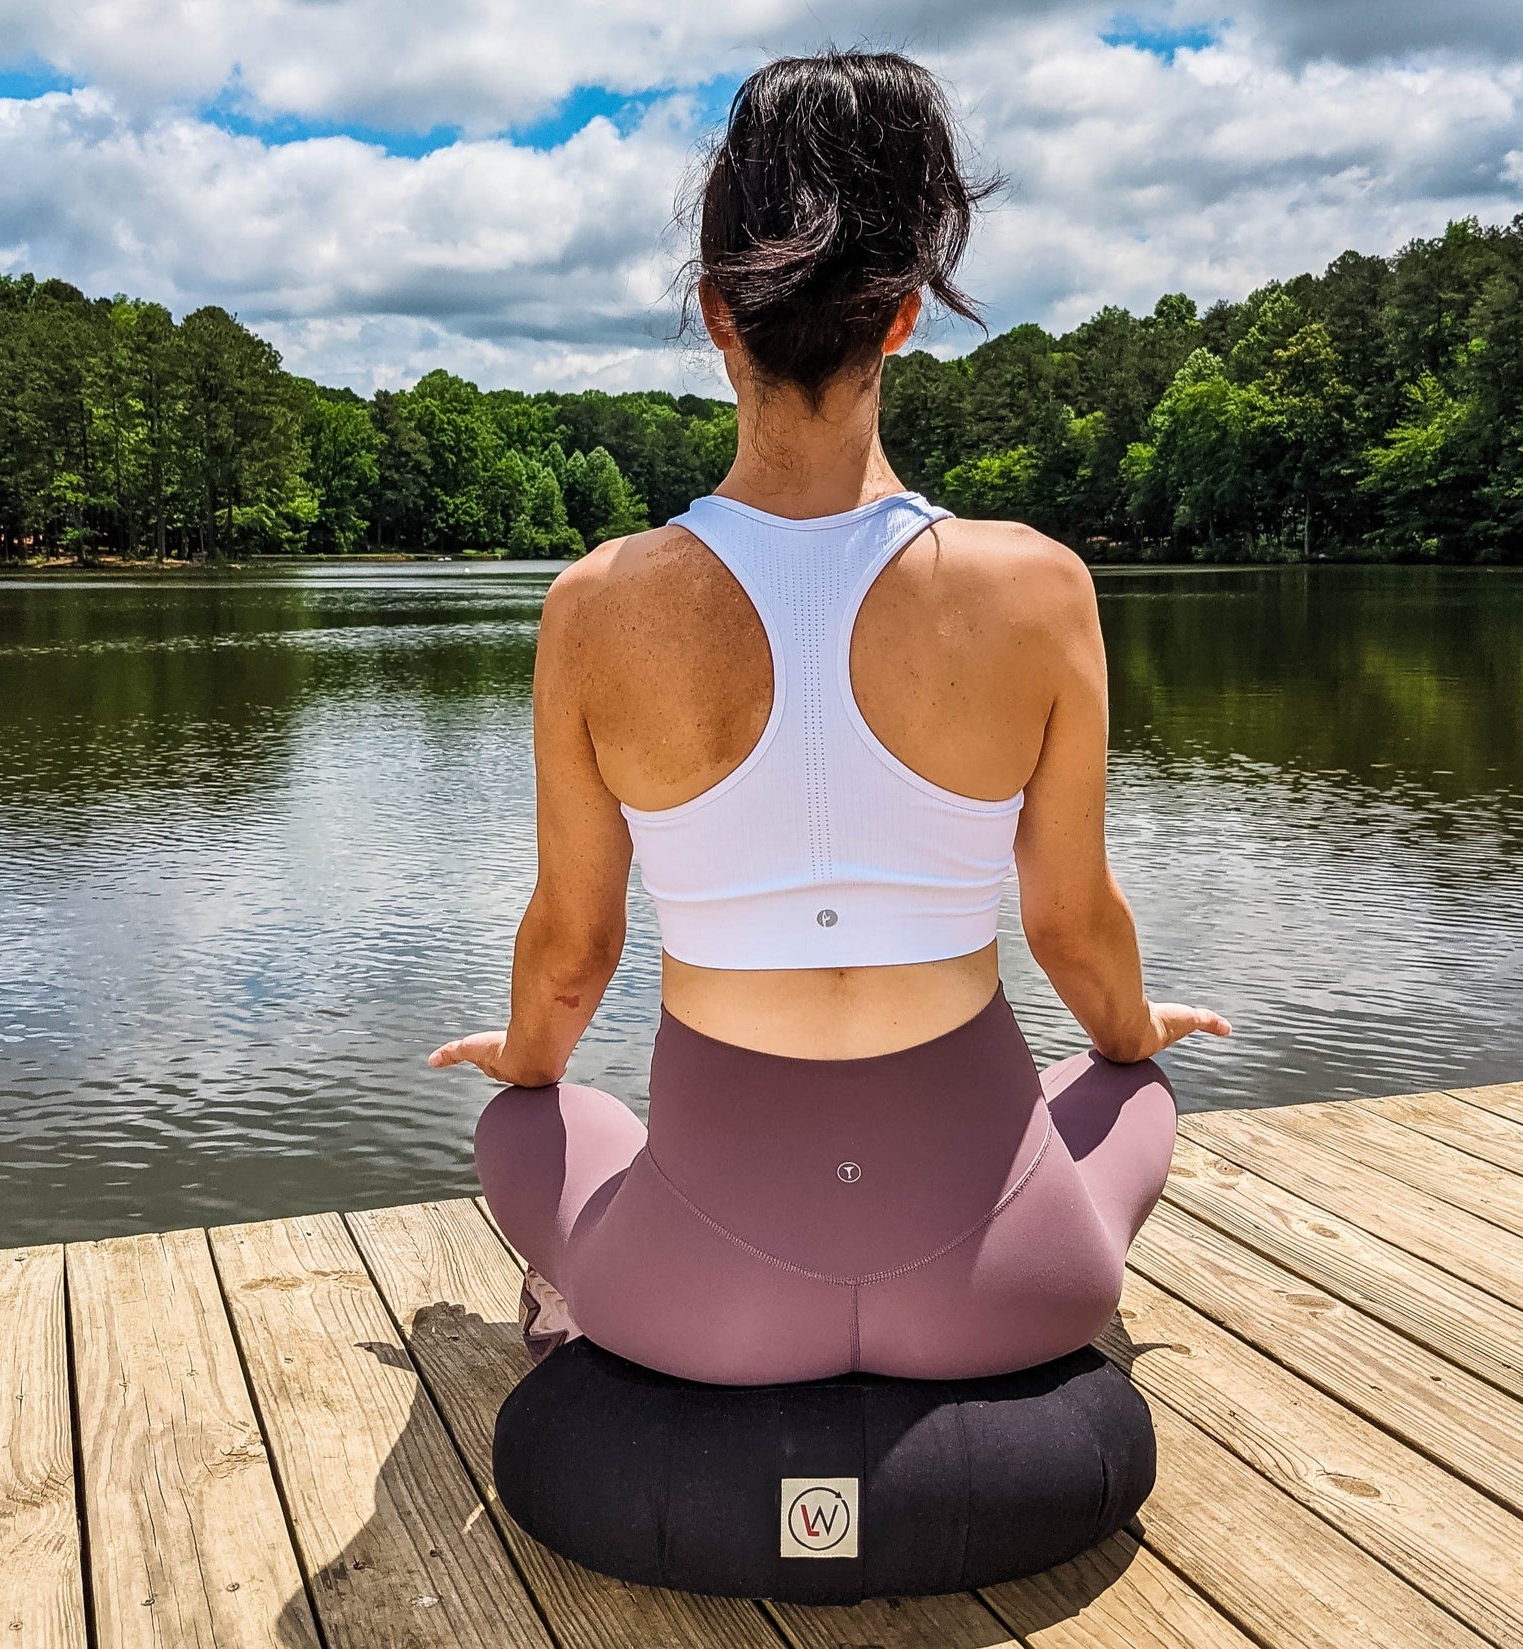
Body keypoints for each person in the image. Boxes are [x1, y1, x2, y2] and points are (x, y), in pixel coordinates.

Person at [429, 49, 1229, 1387]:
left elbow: (574, 951)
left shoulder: (593, 606)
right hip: (1009, 1284)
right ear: (903, 316)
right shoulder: (1037, 585)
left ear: (715, 313)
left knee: (526, 1117)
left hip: (703, 1302)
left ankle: (576, 1286)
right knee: (1126, 1084)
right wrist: (1130, 1031)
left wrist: (524, 1053)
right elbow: (1069, 926)